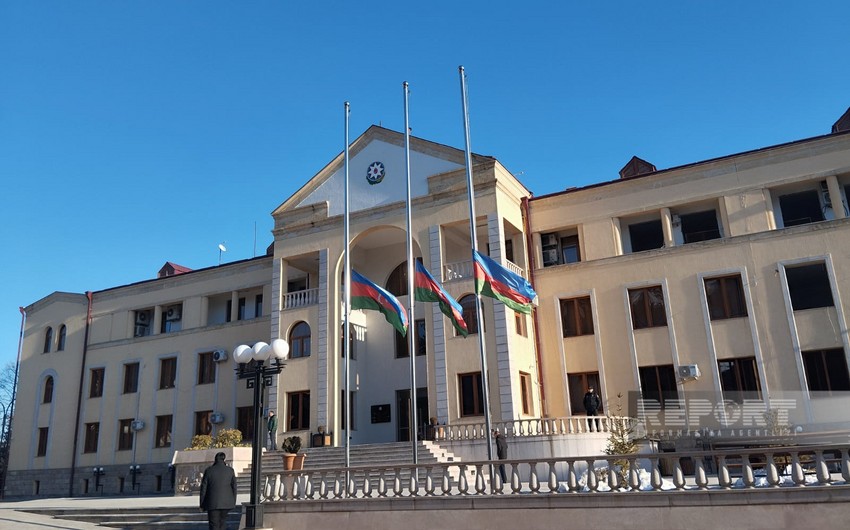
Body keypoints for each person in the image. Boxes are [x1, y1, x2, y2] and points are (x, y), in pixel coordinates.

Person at [199, 451, 237, 530]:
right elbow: (234, 487)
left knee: (214, 525)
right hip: (226, 503)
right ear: (224, 459)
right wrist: (233, 501)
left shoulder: (209, 470)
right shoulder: (230, 470)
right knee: (223, 523)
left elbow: (203, 489)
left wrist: (202, 504)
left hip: (212, 503)